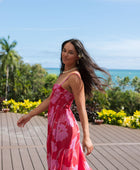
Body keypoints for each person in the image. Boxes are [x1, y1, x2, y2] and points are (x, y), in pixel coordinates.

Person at [17, 39, 110, 170]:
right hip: (54, 127)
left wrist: (87, 137)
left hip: (65, 128)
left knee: (65, 165)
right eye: (64, 50)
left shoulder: (74, 77)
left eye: (70, 52)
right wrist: (29, 115)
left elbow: (81, 108)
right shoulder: (64, 74)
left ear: (78, 56)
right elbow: (50, 100)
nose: (65, 54)